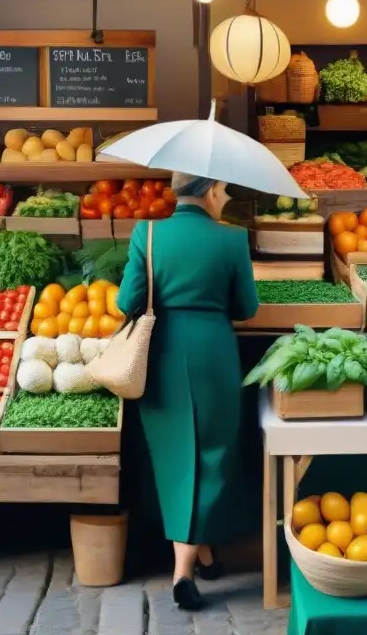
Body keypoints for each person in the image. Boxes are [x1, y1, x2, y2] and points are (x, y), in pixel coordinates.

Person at [116, 172, 258, 612]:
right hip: (213, 352)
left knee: (176, 456)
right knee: (213, 453)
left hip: (161, 354)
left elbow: (126, 301)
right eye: (225, 190)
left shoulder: (148, 232)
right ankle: (184, 573)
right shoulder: (232, 239)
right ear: (210, 192)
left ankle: (205, 552)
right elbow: (247, 308)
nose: (227, 197)